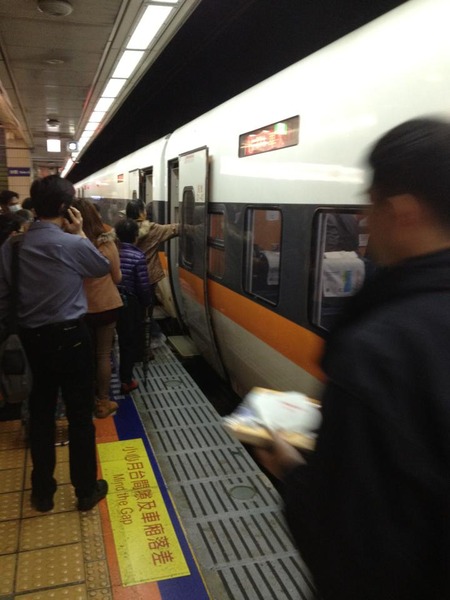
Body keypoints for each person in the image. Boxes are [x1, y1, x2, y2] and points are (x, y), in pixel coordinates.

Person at [254, 118, 450, 600]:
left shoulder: (376, 350)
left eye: (370, 203)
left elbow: (349, 549)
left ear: (402, 212)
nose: (363, 219)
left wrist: (291, 470)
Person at [0, 175, 110, 513]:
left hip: (31, 342)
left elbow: (3, 295)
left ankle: (43, 493)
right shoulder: (72, 244)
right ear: (66, 208)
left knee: (41, 416)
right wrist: (79, 234)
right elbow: (101, 268)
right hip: (72, 340)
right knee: (79, 417)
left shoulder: (13, 246)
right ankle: (85, 491)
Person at [72, 198, 123, 419]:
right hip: (106, 306)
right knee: (103, 355)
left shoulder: (69, 244)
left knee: (83, 355)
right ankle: (103, 402)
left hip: (78, 308)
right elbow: (117, 278)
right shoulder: (106, 244)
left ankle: (86, 398)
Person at [114, 218, 152, 394]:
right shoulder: (138, 256)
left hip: (110, 299)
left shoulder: (112, 252)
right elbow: (143, 285)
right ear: (136, 236)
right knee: (127, 342)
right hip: (129, 303)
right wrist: (147, 303)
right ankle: (126, 380)